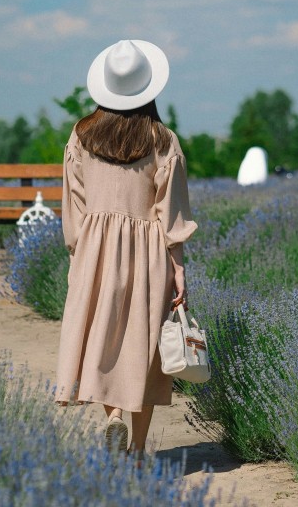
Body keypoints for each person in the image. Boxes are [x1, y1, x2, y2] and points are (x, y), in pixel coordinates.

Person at [54, 39, 197, 461]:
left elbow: (74, 204)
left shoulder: (82, 136)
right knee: (144, 345)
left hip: (95, 248)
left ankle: (113, 412)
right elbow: (170, 212)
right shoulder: (161, 139)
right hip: (149, 250)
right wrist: (179, 268)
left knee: (104, 337)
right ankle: (136, 448)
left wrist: (78, 256)